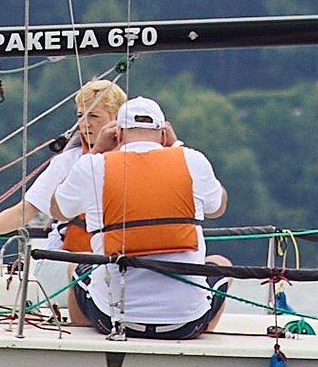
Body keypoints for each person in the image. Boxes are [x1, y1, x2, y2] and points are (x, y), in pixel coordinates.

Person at [35, 95, 228, 337]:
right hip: (187, 325)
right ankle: (200, 336)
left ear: (118, 134)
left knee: (78, 262)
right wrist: (177, 146)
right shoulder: (192, 160)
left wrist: (95, 151)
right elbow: (218, 207)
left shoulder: (94, 166)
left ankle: (84, 341)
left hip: (111, 320)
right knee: (221, 265)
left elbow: (57, 210)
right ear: (162, 133)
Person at [0, 80, 126, 257]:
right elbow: (24, 211)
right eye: (80, 116)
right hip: (70, 256)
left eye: (94, 116)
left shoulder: (135, 159)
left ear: (117, 119)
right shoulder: (67, 162)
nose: (85, 123)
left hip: (124, 256)